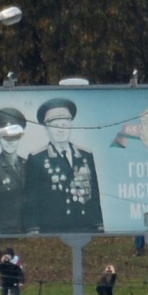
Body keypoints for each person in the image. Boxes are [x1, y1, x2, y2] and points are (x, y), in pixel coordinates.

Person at [24, 97, 103, 233]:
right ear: (46, 129)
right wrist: (33, 228)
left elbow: (94, 193)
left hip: (84, 225)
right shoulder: (37, 158)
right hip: (52, 228)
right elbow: (32, 199)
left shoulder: (85, 155)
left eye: (64, 125)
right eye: (55, 126)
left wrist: (98, 223)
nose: (61, 130)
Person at [0, 108, 27, 235]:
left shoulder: (28, 165)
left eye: (15, 138)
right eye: (5, 138)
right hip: (5, 233)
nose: (10, 142)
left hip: (28, 235)